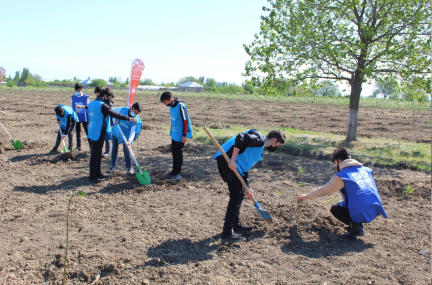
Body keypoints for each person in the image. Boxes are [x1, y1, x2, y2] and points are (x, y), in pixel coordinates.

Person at [297, 147, 388, 239]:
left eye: (335, 163)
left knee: (336, 208)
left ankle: (356, 226)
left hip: (361, 208)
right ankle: (358, 223)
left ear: (339, 161)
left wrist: (307, 196)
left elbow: (325, 190)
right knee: (353, 199)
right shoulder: (366, 170)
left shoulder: (343, 176)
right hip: (375, 206)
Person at [213, 129, 286, 243]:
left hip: (234, 165)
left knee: (240, 194)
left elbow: (244, 167)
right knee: (236, 196)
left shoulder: (258, 149)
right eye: (277, 145)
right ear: (274, 140)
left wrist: (248, 186)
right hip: (227, 160)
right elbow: (241, 137)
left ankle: (236, 225)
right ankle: (227, 233)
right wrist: (232, 159)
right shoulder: (259, 140)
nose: (276, 148)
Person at [87, 88, 137, 183]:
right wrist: (129, 119)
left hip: (93, 130)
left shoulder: (91, 103)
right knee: (95, 154)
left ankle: (98, 173)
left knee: (97, 153)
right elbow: (115, 115)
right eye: (109, 98)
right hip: (98, 131)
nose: (110, 100)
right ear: (105, 96)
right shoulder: (103, 105)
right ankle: (93, 176)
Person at [160, 91, 193, 181]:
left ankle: (178, 173)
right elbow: (173, 120)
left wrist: (184, 135)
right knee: (173, 152)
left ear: (170, 99)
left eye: (166, 102)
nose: (165, 104)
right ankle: (174, 171)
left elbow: (185, 120)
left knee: (178, 153)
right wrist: (171, 130)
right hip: (174, 133)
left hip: (181, 134)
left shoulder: (180, 106)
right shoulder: (171, 106)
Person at [108, 102, 143, 174]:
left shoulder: (136, 120)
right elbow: (112, 111)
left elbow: (133, 131)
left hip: (127, 135)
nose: (135, 114)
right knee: (114, 148)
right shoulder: (123, 109)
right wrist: (114, 119)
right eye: (134, 112)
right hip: (116, 132)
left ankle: (129, 168)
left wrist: (129, 141)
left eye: (137, 113)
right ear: (131, 108)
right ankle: (113, 166)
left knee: (127, 150)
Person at [71, 83, 91, 151]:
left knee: (87, 131)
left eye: (79, 89)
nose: (78, 91)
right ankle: (78, 146)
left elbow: (89, 106)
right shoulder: (73, 97)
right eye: (77, 90)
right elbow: (72, 106)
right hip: (76, 117)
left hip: (85, 117)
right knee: (78, 132)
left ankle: (91, 147)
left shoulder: (86, 97)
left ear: (81, 89)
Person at [102, 91, 115, 158]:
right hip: (101, 121)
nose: (110, 98)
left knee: (107, 137)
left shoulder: (111, 103)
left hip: (108, 121)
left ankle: (107, 152)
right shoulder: (102, 102)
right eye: (109, 97)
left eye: (111, 97)